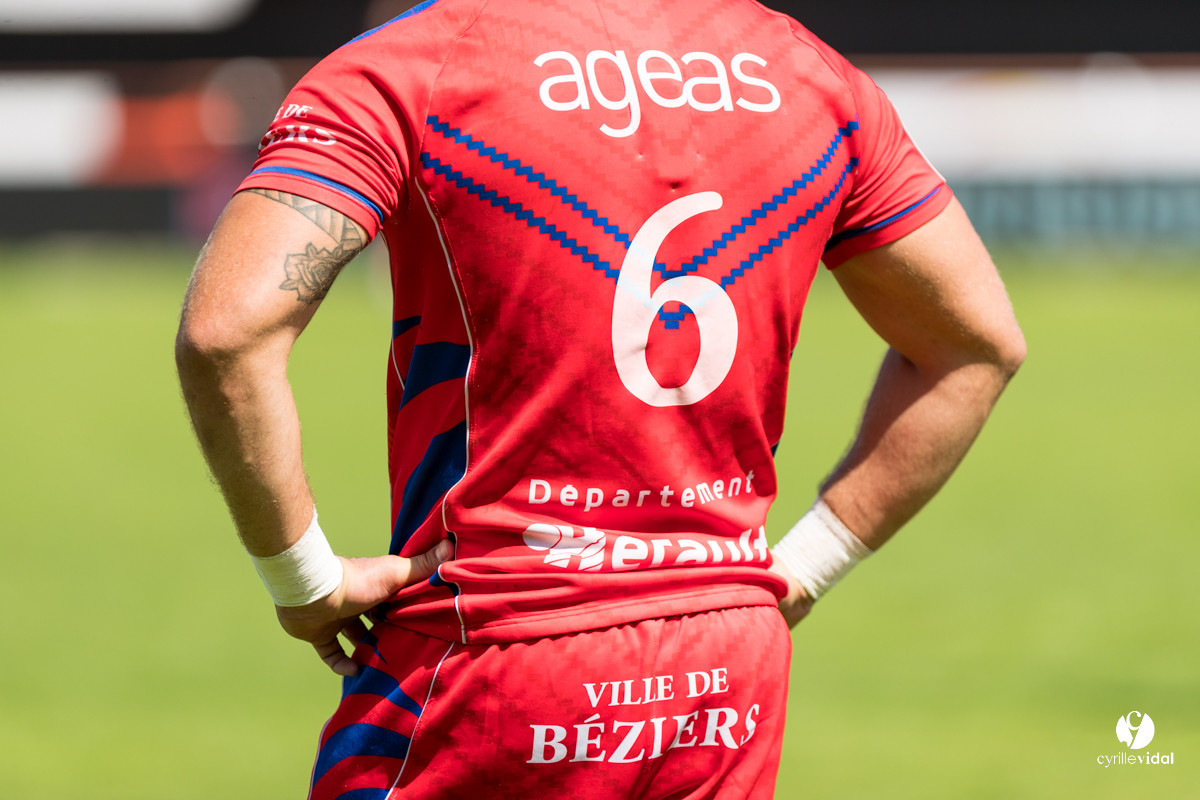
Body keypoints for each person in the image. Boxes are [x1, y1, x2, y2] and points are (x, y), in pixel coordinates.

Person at [175, 0, 1025, 797]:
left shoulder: (414, 65)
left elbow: (227, 333)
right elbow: (974, 345)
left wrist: (302, 580)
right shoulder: (808, 72)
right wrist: (803, 567)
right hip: (724, 675)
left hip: (490, 659)